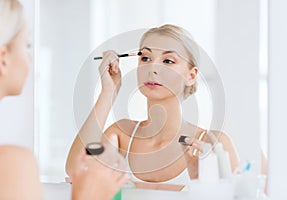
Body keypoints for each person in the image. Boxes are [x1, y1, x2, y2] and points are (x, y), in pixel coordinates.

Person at [66, 24, 240, 191]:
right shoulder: (121, 135)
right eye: (146, 58)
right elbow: (76, 169)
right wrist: (108, 92)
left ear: (191, 75)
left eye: (168, 61)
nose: (152, 68)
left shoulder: (212, 143)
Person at [0, 0, 128, 199]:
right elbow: (75, 165)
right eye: (27, 45)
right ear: (3, 59)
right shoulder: (12, 165)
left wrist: (108, 92)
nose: (30, 57)